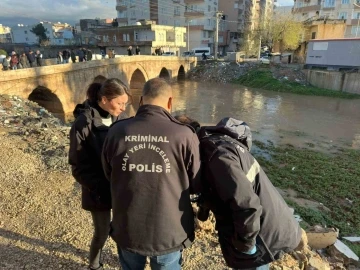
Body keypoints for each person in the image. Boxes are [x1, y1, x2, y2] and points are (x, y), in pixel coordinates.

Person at [101, 78, 201, 270]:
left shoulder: (116, 131)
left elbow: (108, 174)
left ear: (141, 101)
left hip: (128, 225)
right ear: (170, 102)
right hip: (169, 229)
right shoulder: (185, 135)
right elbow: (196, 182)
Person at [194, 117, 302, 270]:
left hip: (262, 235)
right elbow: (216, 186)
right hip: (270, 224)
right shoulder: (218, 145)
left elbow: (247, 205)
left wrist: (245, 246)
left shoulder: (218, 155)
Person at [69, 78, 130, 270]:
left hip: (120, 188)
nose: (123, 108)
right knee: (102, 232)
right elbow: (78, 167)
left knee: (124, 229)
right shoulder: (83, 123)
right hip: (98, 189)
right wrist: (102, 188)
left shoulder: (117, 118)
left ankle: (125, 262)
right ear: (104, 99)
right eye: (120, 103)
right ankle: (94, 264)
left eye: (125, 104)